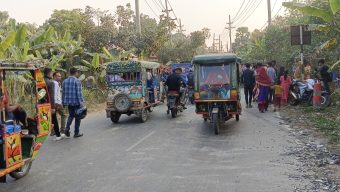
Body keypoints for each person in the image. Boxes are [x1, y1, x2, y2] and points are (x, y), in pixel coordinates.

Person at [62, 67, 84, 138]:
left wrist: (63, 102)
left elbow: (63, 93)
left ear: (69, 72)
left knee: (71, 116)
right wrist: (81, 102)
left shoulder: (64, 81)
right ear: (76, 73)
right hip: (76, 102)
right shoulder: (77, 81)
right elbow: (79, 93)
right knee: (78, 117)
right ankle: (76, 133)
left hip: (69, 103)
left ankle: (67, 128)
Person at [44, 68, 63, 141]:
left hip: (42, 104)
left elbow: (41, 94)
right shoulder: (51, 82)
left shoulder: (41, 81)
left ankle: (54, 133)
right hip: (49, 104)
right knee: (54, 119)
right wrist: (53, 107)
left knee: (46, 119)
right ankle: (58, 135)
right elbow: (52, 96)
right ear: (49, 73)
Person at [52, 72, 67, 137]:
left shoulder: (58, 83)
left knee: (54, 117)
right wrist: (57, 104)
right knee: (64, 115)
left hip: (55, 103)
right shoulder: (55, 83)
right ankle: (63, 130)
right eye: (58, 76)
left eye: (60, 76)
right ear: (54, 76)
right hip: (57, 103)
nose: (59, 77)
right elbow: (54, 94)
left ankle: (53, 131)